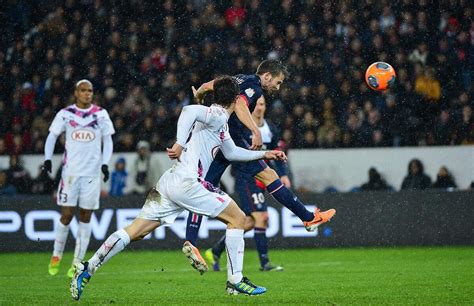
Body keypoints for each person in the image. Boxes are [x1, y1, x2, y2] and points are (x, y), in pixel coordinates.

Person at [70, 76, 288, 300]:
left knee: (136, 231)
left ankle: (88, 267)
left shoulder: (219, 121)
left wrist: (265, 154)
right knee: (239, 219)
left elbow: (232, 153)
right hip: (188, 183)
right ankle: (235, 280)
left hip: (170, 182)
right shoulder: (217, 114)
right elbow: (187, 111)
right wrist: (179, 143)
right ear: (235, 98)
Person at [185, 60, 336, 260]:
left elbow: (208, 85)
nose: (278, 87)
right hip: (231, 139)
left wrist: (200, 93)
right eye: (278, 82)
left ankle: (191, 242)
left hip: (214, 136)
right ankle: (308, 218)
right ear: (267, 76)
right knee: (268, 175)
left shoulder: (238, 78)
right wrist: (255, 130)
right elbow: (239, 102)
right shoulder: (254, 86)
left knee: (202, 189)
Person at [196, 99, 290, 272]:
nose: (260, 107)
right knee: (262, 218)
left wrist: (283, 174)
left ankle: (215, 251)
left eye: (263, 104)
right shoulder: (242, 127)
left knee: (250, 221)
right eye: (257, 104)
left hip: (262, 179)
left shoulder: (271, 129)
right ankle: (265, 263)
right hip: (247, 178)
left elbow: (277, 150)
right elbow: (234, 152)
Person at [43, 79, 115, 278]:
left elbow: (108, 141)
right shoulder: (66, 114)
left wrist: (105, 163)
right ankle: (56, 255)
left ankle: (76, 262)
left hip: (92, 175)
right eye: (83, 90)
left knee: (85, 216)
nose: (87, 94)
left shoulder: (100, 114)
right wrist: (48, 159)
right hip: (71, 174)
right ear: (76, 92)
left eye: (90, 90)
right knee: (66, 215)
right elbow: (51, 136)